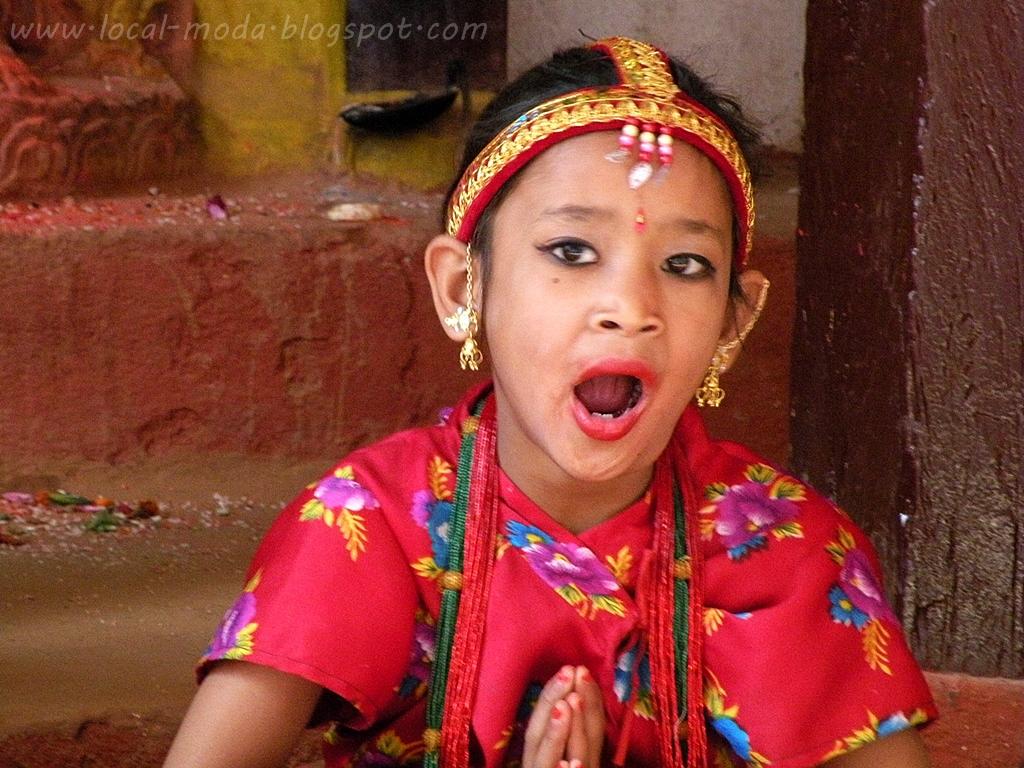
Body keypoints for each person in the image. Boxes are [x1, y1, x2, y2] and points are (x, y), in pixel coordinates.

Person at [163, 37, 937, 768]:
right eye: (571, 251)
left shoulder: (789, 551)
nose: (630, 306)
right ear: (463, 288)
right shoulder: (370, 526)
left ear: (735, 321)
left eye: (684, 263)